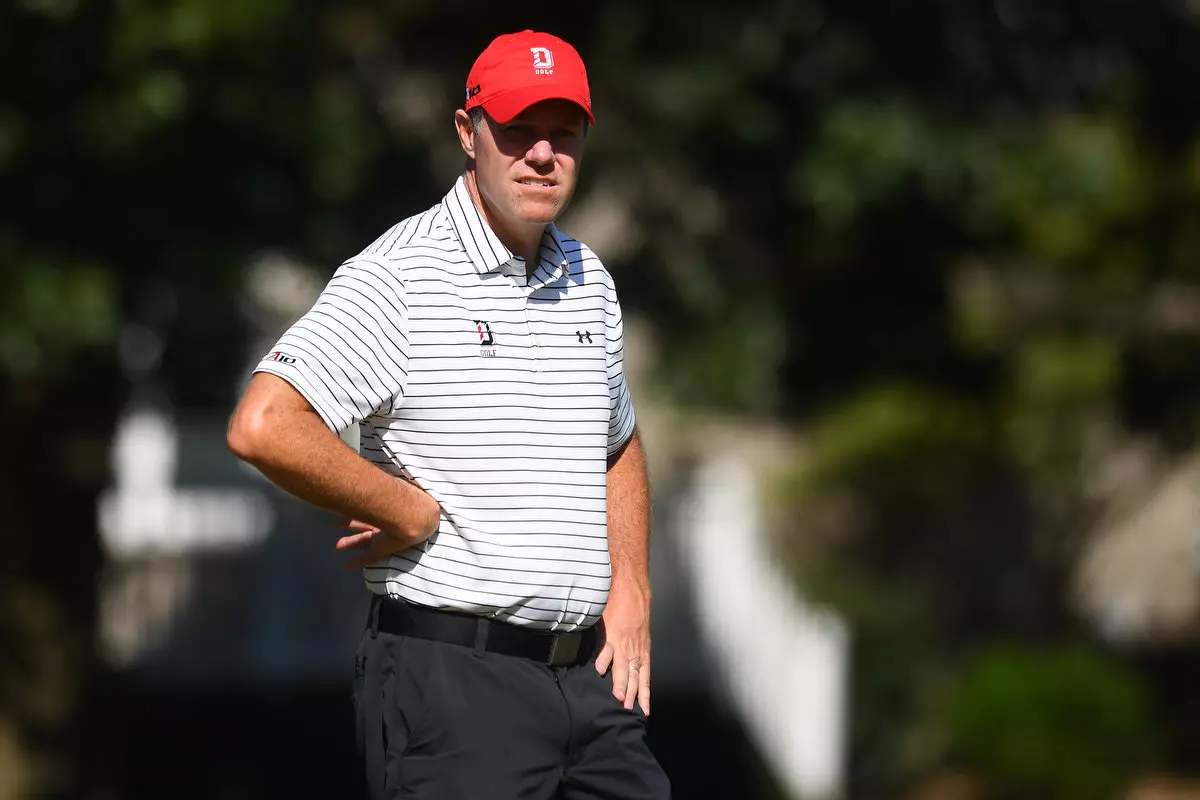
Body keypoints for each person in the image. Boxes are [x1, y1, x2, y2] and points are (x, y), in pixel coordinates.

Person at [226, 29, 669, 799]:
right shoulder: (400, 275)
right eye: (518, 131)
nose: (541, 154)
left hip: (590, 688)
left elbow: (619, 443)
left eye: (562, 134)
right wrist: (404, 508)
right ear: (468, 133)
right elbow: (265, 423)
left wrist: (631, 587)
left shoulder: (588, 278)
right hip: (455, 684)